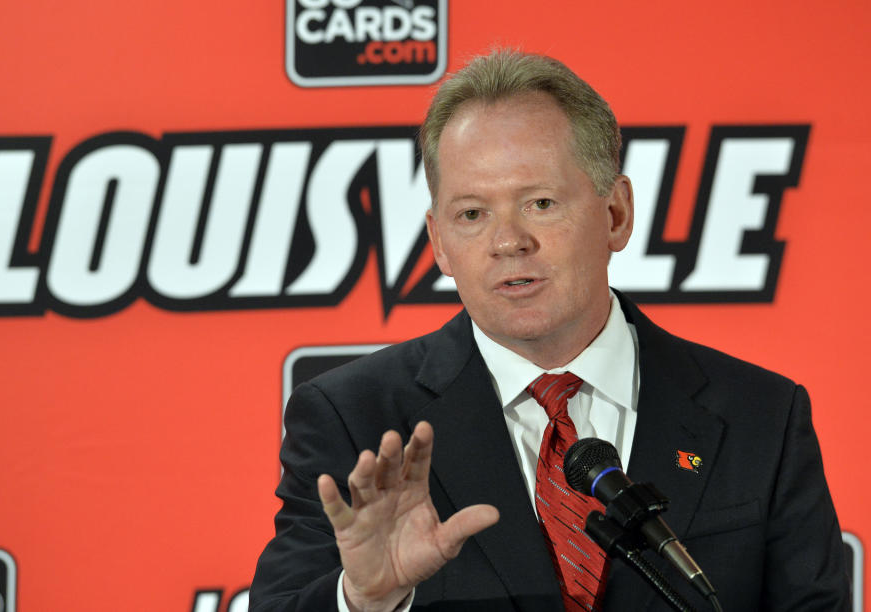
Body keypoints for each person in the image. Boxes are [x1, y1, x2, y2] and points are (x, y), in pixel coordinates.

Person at [249, 49, 850, 611]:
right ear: (438, 243)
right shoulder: (353, 417)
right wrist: (364, 599)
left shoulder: (761, 415)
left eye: (540, 203)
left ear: (615, 214)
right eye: (472, 214)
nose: (509, 242)